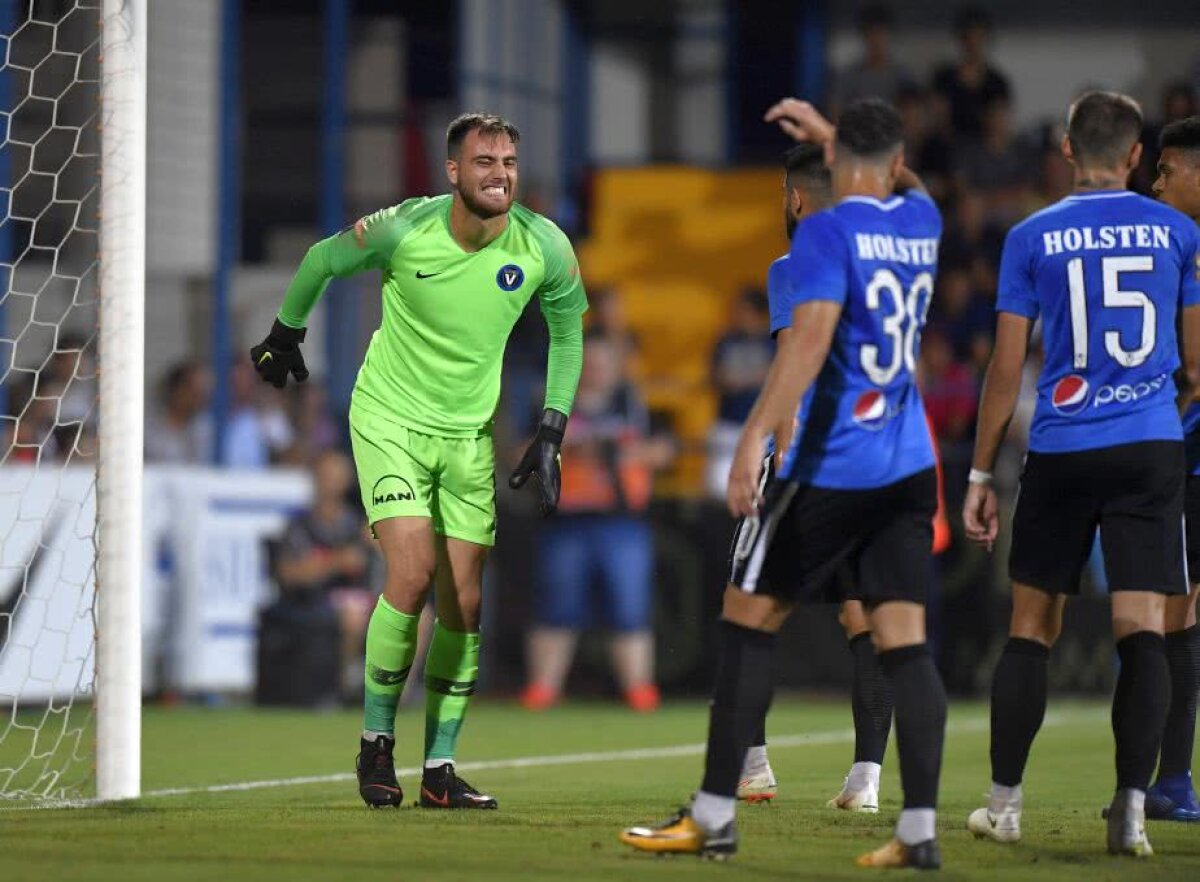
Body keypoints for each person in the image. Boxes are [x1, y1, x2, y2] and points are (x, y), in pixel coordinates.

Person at [620, 98, 946, 869]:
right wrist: (846, 144)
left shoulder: (823, 234)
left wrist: (754, 441)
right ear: (894, 162)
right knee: (904, 642)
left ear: (824, 177)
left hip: (835, 460)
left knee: (745, 616)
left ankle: (712, 816)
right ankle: (918, 832)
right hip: (910, 465)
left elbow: (804, 348)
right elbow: (915, 185)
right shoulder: (921, 226)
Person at [249, 113, 587, 810]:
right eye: (484, 161)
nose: (500, 173)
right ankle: (377, 745)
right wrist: (286, 332)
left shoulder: (545, 245)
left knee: (464, 603)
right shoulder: (405, 228)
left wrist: (551, 429)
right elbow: (321, 260)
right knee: (411, 572)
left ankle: (439, 770)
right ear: (454, 172)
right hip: (390, 421)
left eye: (509, 161)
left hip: (467, 439)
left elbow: (567, 332)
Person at [961, 92, 1200, 857]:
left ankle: (1003, 805)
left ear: (1066, 149)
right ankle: (1131, 810)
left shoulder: (1031, 235)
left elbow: (1006, 366)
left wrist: (977, 472)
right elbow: (1197, 364)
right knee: (1144, 632)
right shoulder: (1180, 233)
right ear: (1136, 156)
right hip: (1150, 447)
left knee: (1031, 628)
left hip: (1062, 446)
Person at [520, 333, 673, 713]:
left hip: (622, 519)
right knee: (558, 603)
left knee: (629, 605)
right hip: (566, 518)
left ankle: (639, 688)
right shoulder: (552, 401)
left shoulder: (633, 402)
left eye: (603, 363)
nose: (596, 371)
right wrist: (561, 446)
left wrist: (629, 453)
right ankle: (543, 688)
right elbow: (519, 450)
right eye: (588, 363)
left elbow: (665, 449)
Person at [1147, 115, 1200, 822]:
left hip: (1187, 456)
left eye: (1167, 171)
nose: (1155, 182)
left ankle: (1172, 781)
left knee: (1173, 615)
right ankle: (1166, 780)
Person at [273, 450, 377, 698]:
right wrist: (336, 562)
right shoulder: (300, 525)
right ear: (315, 479)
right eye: (327, 476)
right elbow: (288, 574)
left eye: (339, 476)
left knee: (420, 617)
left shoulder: (356, 524)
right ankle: (345, 686)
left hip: (362, 595)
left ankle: (396, 693)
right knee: (353, 612)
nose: (333, 482)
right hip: (315, 601)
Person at [705, 289, 774, 499]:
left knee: (758, 487)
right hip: (727, 423)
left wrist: (742, 379)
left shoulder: (772, 341)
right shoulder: (726, 341)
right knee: (717, 488)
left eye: (742, 309)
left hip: (761, 426)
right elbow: (718, 376)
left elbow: (774, 375)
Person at [931, 6, 1011, 139]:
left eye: (978, 37)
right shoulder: (944, 79)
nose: (974, 43)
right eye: (969, 37)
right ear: (961, 39)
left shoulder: (996, 82)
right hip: (952, 149)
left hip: (984, 151)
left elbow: (1000, 126)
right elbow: (939, 121)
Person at [828, 5, 916, 116]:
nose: (876, 40)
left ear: (889, 34)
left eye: (880, 33)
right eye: (871, 33)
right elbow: (836, 112)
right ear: (864, 36)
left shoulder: (903, 76)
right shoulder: (848, 77)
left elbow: (912, 117)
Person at [144, 361, 213, 464]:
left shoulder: (204, 428)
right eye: (194, 391)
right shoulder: (147, 426)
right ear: (178, 389)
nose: (199, 398)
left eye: (203, 393)